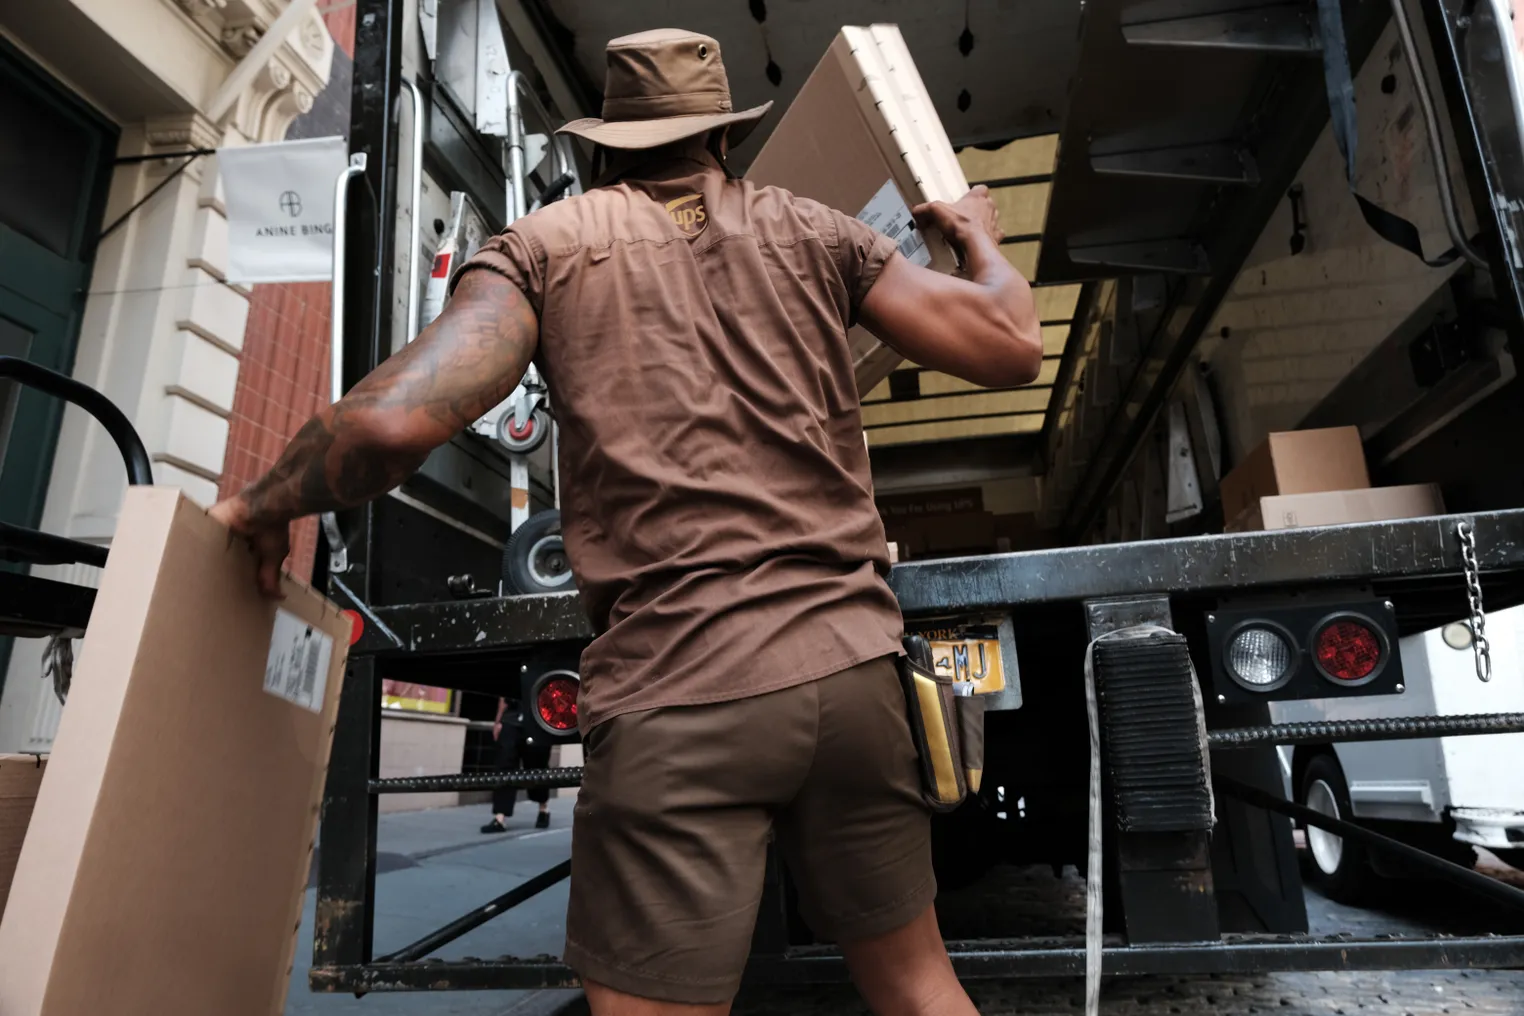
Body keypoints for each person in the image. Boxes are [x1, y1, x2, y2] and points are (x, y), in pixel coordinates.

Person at [210, 27, 1040, 1016]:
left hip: (682, 685)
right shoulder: (820, 235)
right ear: (723, 142)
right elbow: (1009, 343)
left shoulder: (544, 249)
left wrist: (262, 504)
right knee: (914, 983)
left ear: (602, 147)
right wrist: (977, 236)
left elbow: (391, 422)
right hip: (854, 675)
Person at [481, 696, 552, 833]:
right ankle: (500, 817)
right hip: (511, 720)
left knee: (537, 765)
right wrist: (498, 721)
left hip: (538, 718)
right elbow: (503, 696)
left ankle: (543, 808)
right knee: (504, 765)